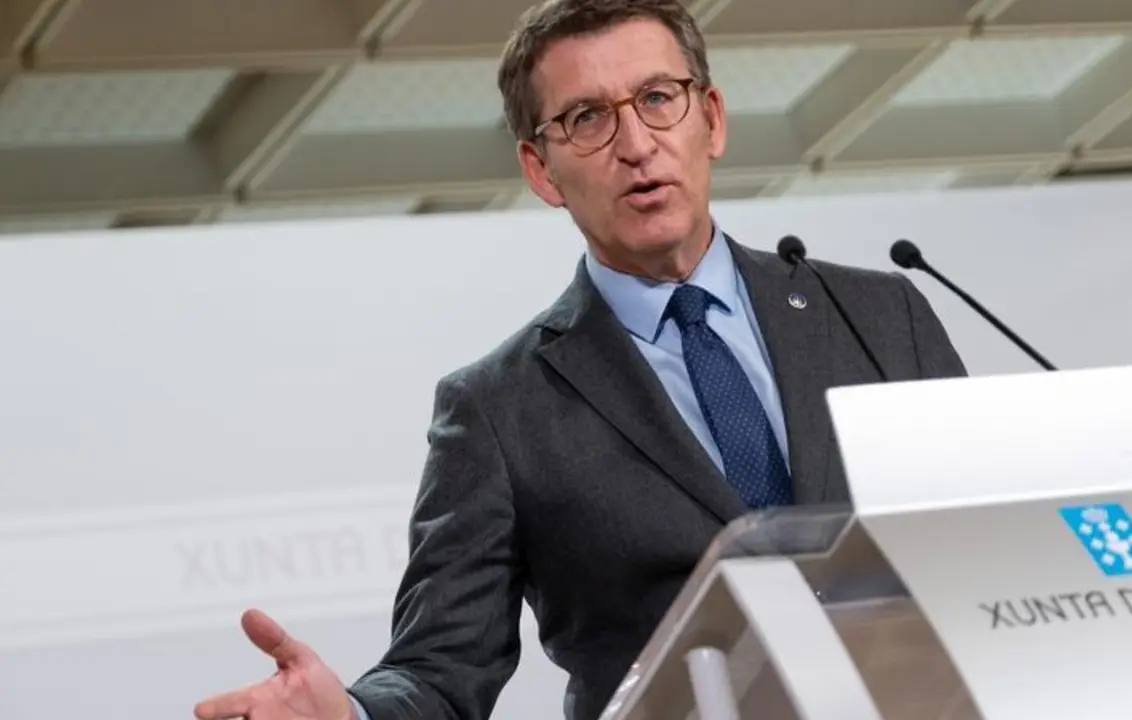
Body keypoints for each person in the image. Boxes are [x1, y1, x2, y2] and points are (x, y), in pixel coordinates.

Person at [192, 1, 967, 719]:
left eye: (658, 98)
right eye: (587, 118)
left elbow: (987, 535)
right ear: (541, 170)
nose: (636, 144)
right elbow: (440, 667)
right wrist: (352, 715)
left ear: (711, 118)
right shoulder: (497, 410)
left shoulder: (878, 315)